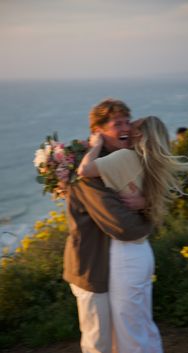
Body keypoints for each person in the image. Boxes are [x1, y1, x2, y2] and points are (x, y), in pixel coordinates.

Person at [78, 116, 188, 353]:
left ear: (140, 136)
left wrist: (94, 145)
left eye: (131, 128)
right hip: (142, 253)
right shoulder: (152, 165)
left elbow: (84, 170)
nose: (125, 130)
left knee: (129, 333)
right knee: (143, 326)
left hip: (125, 256)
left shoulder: (126, 157)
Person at [63, 99, 152, 353]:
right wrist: (149, 217)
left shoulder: (119, 161)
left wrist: (148, 203)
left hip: (112, 266)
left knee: (119, 338)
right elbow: (123, 226)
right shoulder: (88, 175)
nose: (126, 128)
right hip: (91, 267)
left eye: (128, 121)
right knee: (98, 342)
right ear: (98, 132)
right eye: (117, 124)